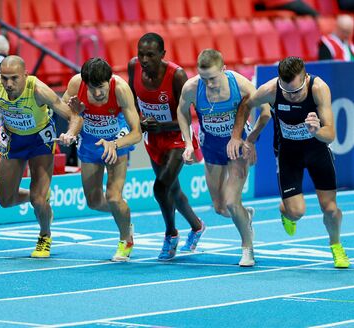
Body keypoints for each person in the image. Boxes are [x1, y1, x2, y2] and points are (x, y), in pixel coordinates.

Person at [227, 56, 350, 269]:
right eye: (287, 92)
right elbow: (246, 104)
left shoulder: (319, 88)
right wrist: (241, 136)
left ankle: (336, 245)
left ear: (305, 78)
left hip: (317, 151)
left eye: (296, 91)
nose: (291, 96)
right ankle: (286, 211)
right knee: (296, 212)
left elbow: (330, 135)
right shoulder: (271, 90)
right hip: (288, 155)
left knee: (330, 209)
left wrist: (316, 130)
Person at [0, 55, 82, 258]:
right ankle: (38, 197)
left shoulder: (39, 90)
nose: (8, 84)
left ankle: (44, 235)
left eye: (14, 78)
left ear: (26, 75)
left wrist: (70, 134)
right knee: (5, 200)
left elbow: (73, 115)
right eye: (5, 78)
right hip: (13, 139)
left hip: (39, 141)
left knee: (39, 200)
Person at [177, 49, 271, 267]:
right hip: (211, 147)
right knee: (219, 207)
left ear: (224, 70)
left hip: (237, 147)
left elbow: (265, 111)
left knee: (231, 202)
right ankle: (245, 216)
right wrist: (188, 143)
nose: (208, 84)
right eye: (204, 78)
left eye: (212, 78)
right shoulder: (192, 88)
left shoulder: (240, 84)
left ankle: (247, 249)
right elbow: (181, 112)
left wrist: (251, 140)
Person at [127, 33, 205, 261]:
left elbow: (187, 117)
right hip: (153, 137)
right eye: (141, 54)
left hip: (177, 137)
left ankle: (171, 234)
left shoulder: (177, 75)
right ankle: (197, 226)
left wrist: (161, 126)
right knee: (173, 189)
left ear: (162, 55)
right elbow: (132, 100)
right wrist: (139, 122)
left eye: (150, 55)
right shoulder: (133, 67)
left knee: (161, 187)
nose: (144, 59)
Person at [62, 58, 142, 262]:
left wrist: (115, 144)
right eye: (92, 88)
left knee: (114, 197)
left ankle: (126, 239)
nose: (97, 93)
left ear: (109, 80)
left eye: (101, 87)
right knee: (94, 202)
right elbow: (68, 115)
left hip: (117, 142)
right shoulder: (75, 85)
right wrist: (73, 125)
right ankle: (124, 214)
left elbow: (136, 133)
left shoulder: (121, 89)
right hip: (89, 143)